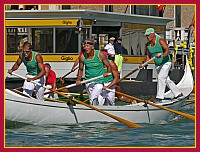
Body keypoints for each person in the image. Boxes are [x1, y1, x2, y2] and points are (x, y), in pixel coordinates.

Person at [142, 28, 183, 103]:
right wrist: (144, 64)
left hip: (166, 62)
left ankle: (159, 97)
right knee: (166, 79)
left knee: (161, 77)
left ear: (153, 34)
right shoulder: (147, 45)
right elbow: (148, 56)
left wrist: (161, 56)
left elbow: (167, 50)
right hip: (158, 64)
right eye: (146, 36)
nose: (147, 37)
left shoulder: (160, 40)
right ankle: (178, 93)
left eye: (148, 35)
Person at [76, 39, 111, 106]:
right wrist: (78, 79)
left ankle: (94, 110)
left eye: (87, 46)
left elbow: (108, 66)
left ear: (92, 47)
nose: (85, 48)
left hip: (99, 81)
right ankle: (97, 111)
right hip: (88, 81)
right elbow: (80, 69)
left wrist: (107, 72)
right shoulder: (82, 57)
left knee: (93, 98)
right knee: (94, 101)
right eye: (84, 46)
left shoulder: (100, 54)